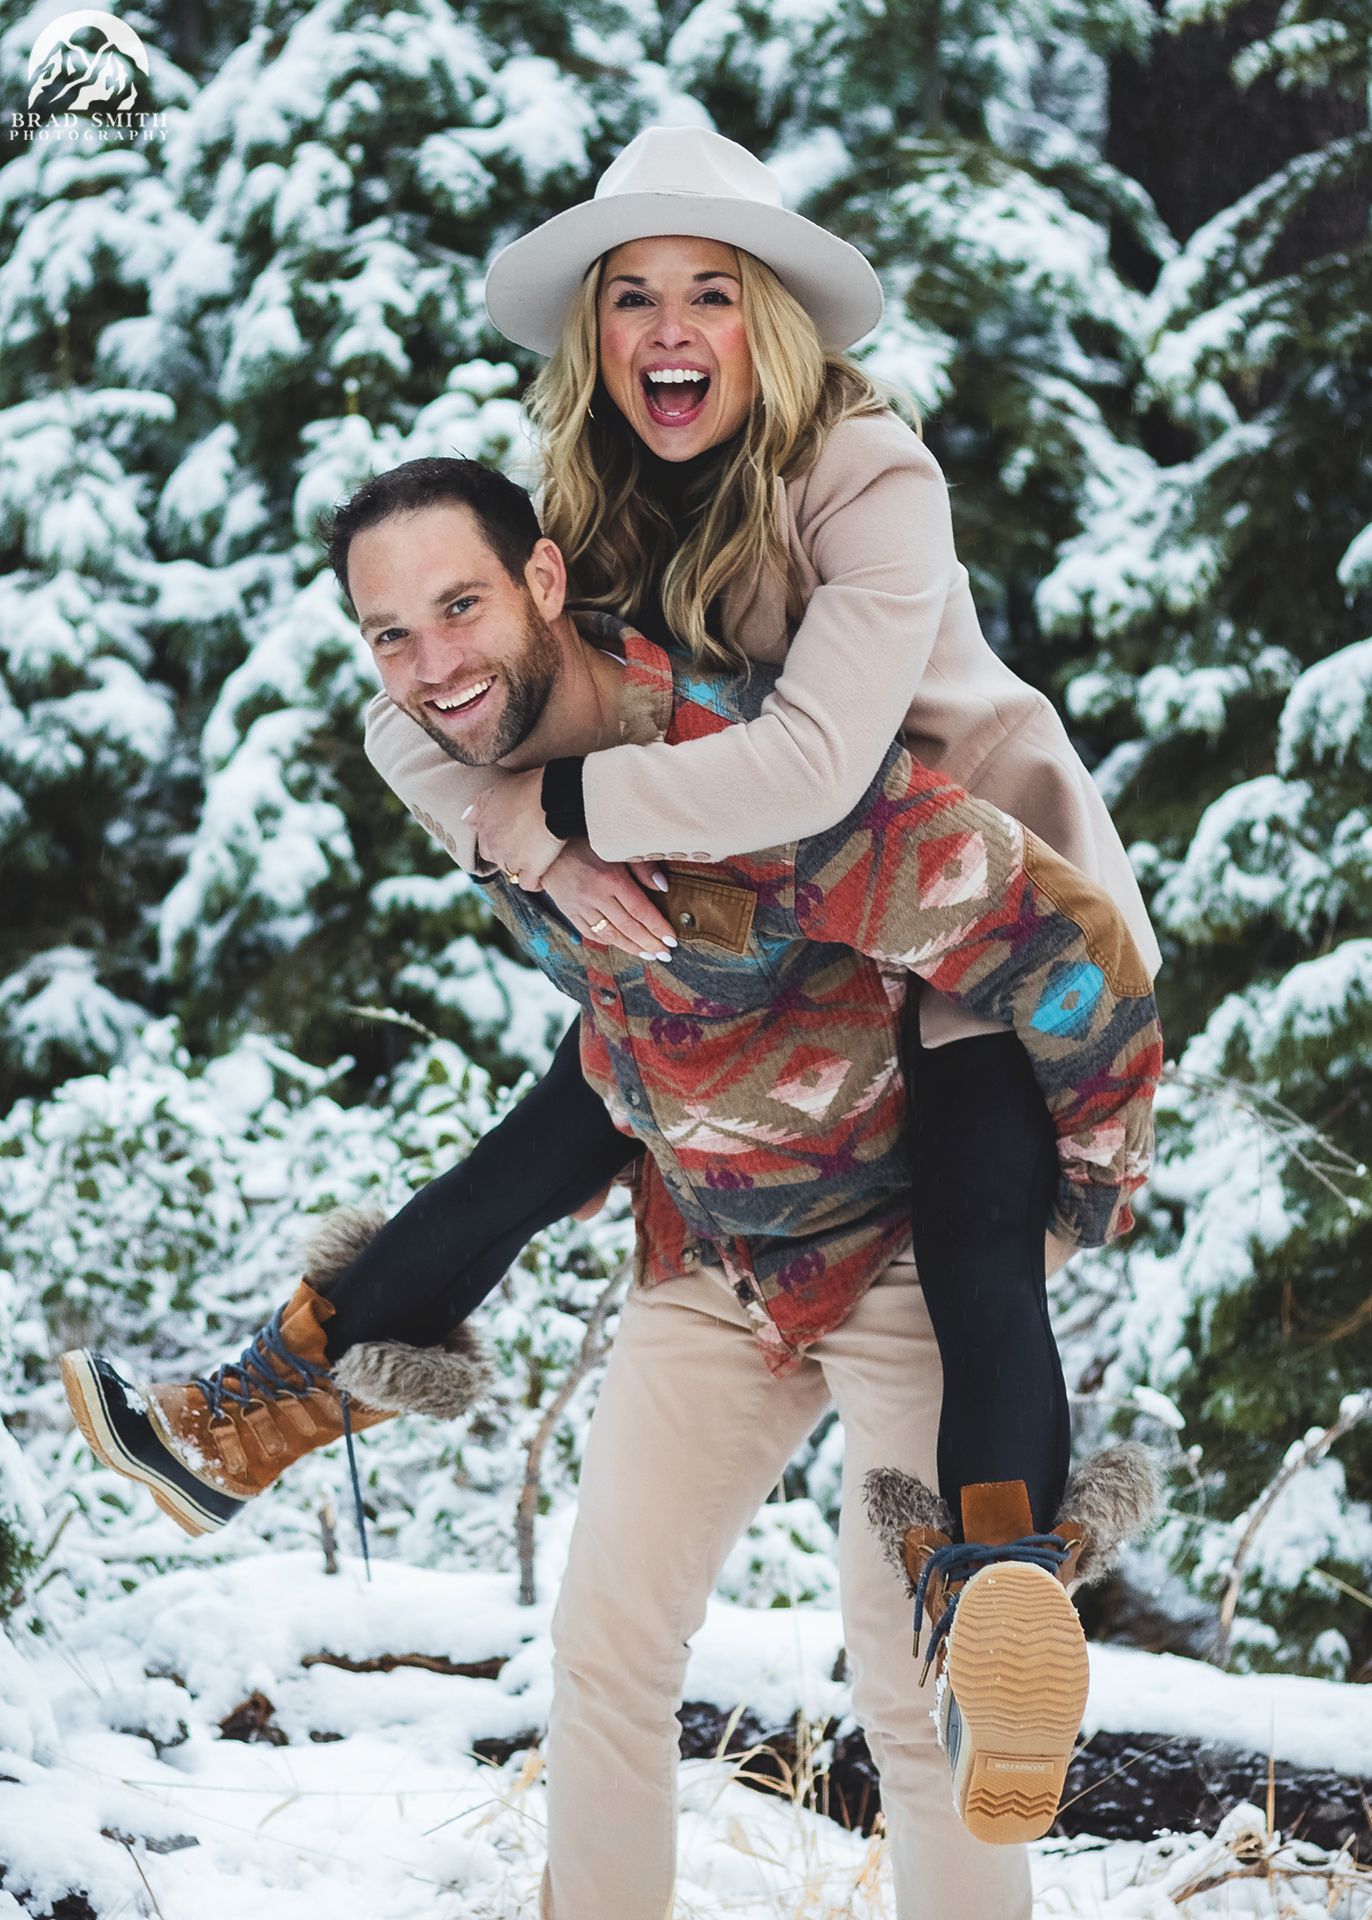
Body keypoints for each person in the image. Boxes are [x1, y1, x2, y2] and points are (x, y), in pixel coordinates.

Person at [62, 456, 1165, 1916]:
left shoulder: (756, 769)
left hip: (903, 1242)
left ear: (544, 580)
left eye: (459, 607)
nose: (430, 664)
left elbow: (1046, 928)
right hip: (711, 1248)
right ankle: (277, 1396)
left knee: (915, 1700)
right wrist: (533, 836)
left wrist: (1076, 1160)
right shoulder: (466, 748)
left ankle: (1003, 1571)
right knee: (607, 1660)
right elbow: (419, 751)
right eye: (390, 635)